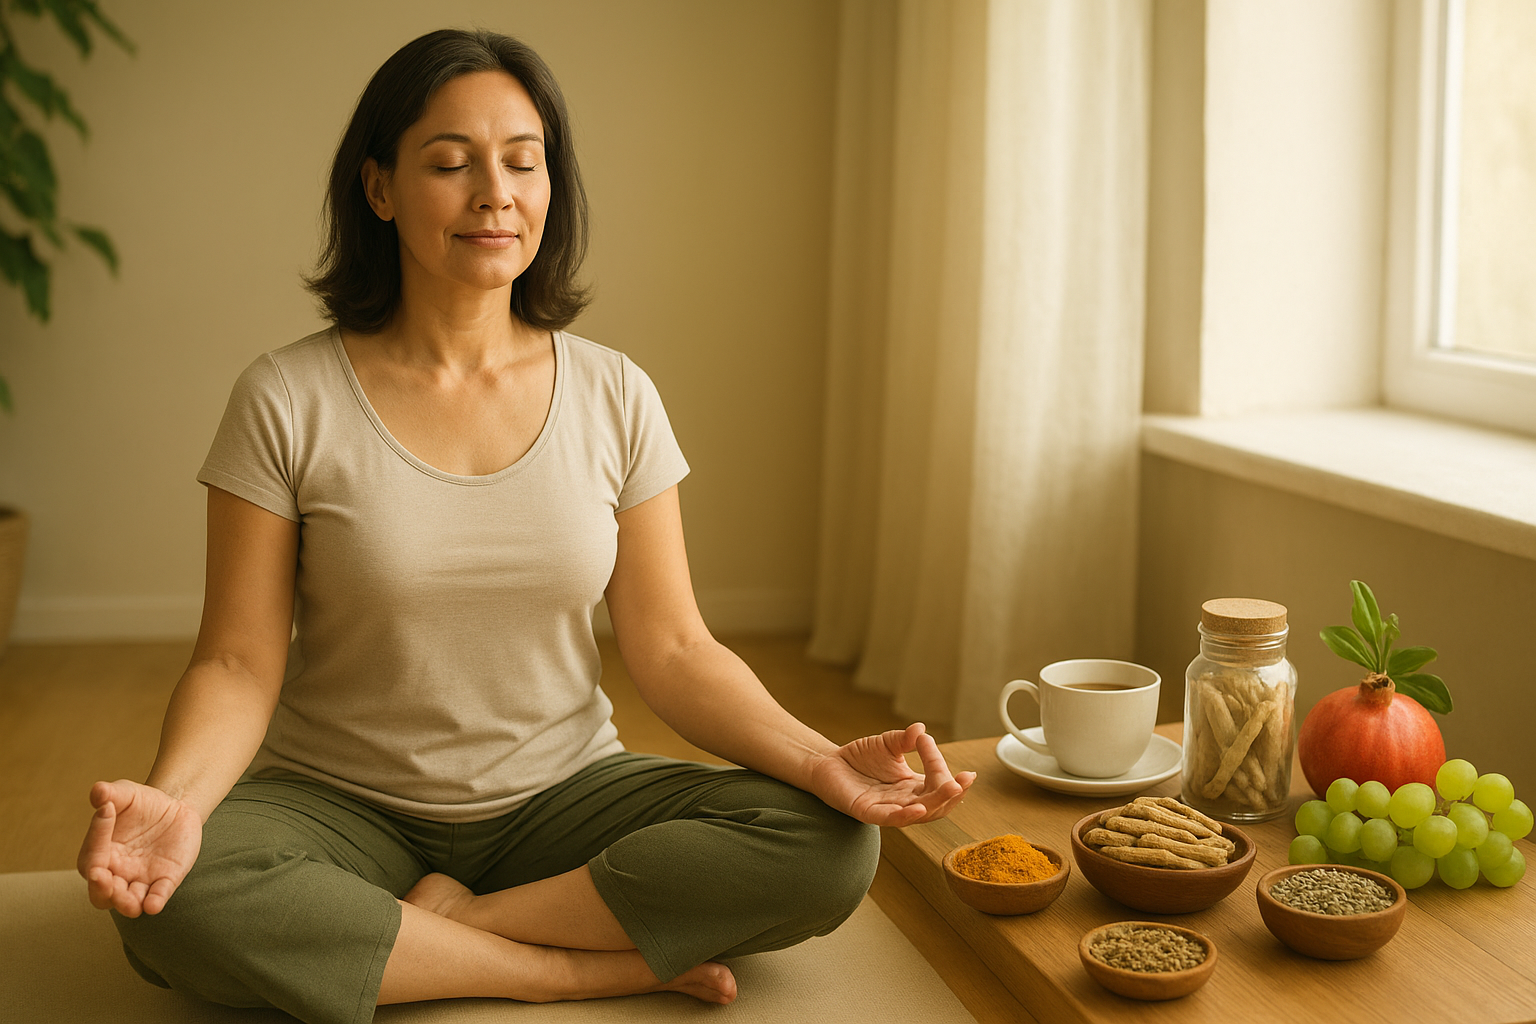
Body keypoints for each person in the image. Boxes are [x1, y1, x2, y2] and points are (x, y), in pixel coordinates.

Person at [76, 27, 975, 1024]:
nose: (494, 192)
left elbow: (674, 646)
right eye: (451, 163)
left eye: (522, 161)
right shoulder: (286, 396)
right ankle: (561, 966)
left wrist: (816, 759)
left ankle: (463, 924)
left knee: (831, 842)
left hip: (561, 796)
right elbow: (239, 663)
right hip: (343, 800)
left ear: (552, 187)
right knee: (172, 894)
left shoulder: (615, 392)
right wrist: (178, 802)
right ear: (379, 189)